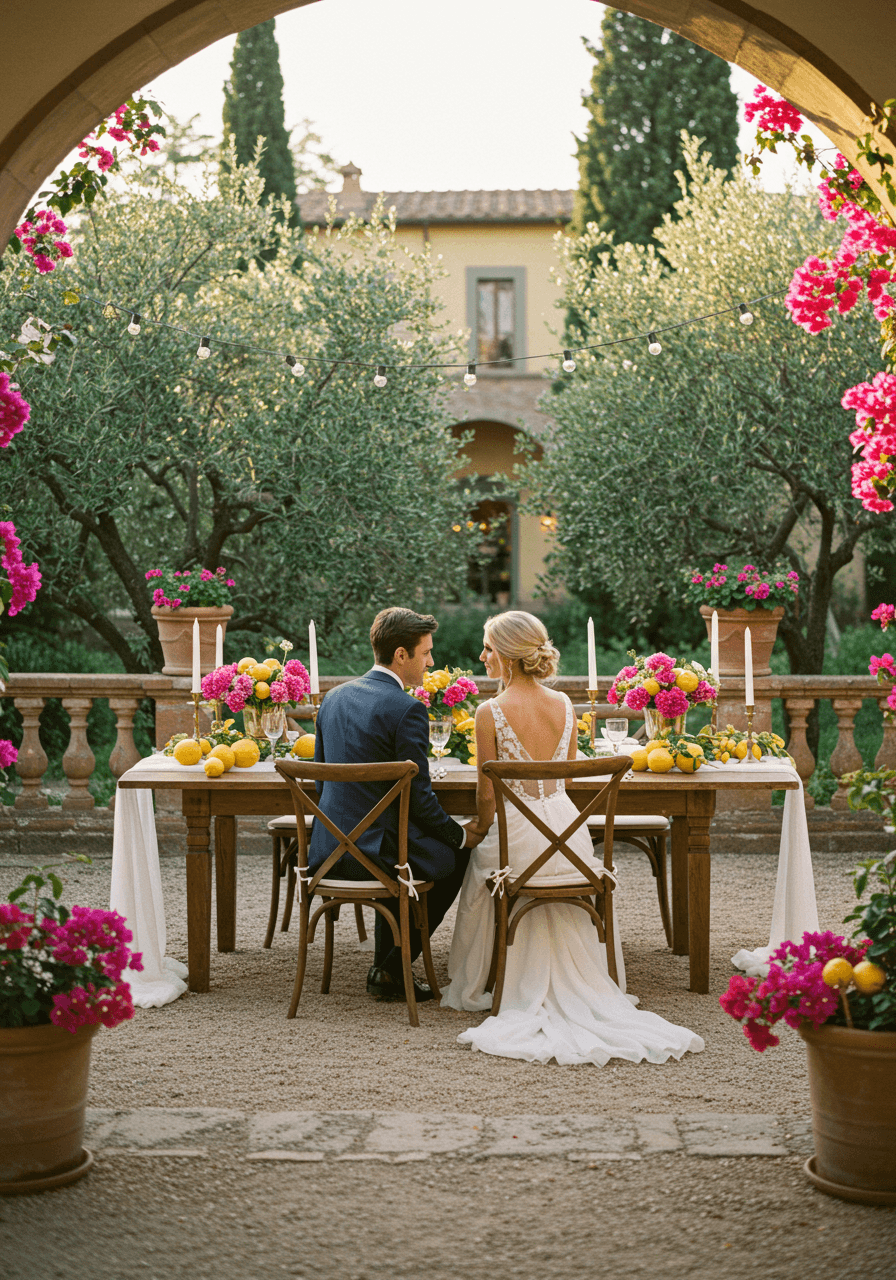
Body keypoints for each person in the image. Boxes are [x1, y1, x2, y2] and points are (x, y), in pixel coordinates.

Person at [441, 610, 704, 1066]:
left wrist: (479, 829)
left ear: (506, 655)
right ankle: (580, 983)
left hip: (519, 834)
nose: (481, 656)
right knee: (507, 854)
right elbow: (563, 776)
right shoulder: (565, 705)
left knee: (482, 859)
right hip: (569, 833)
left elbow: (487, 793)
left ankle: (484, 981)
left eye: (487, 648)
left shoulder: (489, 712)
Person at [309, 606, 484, 1003]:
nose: (431, 661)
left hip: (328, 853)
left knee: (411, 840)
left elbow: (323, 782)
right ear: (401, 655)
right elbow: (419, 799)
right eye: (425, 653)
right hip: (381, 854)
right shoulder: (408, 708)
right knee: (452, 857)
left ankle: (388, 965)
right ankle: (391, 966)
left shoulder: (333, 699)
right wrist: (459, 835)